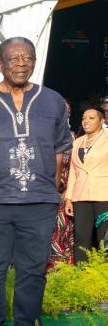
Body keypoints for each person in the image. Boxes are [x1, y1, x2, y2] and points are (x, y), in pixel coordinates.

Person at [0, 37, 71, 326]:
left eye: (28, 58)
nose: (21, 63)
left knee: (33, 270)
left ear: (35, 62)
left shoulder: (51, 100)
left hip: (39, 202)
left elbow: (61, 147)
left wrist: (50, 188)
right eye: (14, 58)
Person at [64, 106, 108, 263]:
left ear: (102, 121)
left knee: (105, 238)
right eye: (83, 118)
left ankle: (103, 276)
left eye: (91, 118)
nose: (86, 121)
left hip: (104, 195)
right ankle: (81, 274)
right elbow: (73, 173)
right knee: (82, 237)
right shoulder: (77, 142)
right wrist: (69, 198)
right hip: (81, 196)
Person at [48, 99, 77, 271]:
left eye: (67, 110)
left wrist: (68, 191)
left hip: (64, 192)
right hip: (44, 189)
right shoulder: (43, 133)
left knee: (63, 230)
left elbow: (76, 166)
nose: (64, 113)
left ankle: (63, 271)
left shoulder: (73, 137)